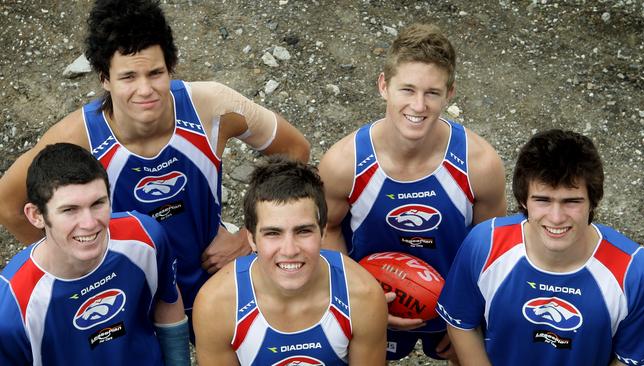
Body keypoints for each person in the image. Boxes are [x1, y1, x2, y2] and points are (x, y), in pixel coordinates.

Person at [0, 0, 309, 322]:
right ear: (105, 78)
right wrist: (79, 260)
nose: (145, 90)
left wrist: (248, 235)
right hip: (131, 294)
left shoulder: (210, 106)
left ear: (171, 66)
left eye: (155, 73)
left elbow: (295, 150)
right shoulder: (79, 136)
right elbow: (9, 205)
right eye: (129, 77)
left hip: (211, 276)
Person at [317, 23, 506, 362]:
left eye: (432, 93)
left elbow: (490, 251)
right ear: (383, 86)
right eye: (407, 89)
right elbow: (327, 229)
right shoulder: (345, 163)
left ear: (450, 93)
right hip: (372, 301)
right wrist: (358, 302)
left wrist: (470, 320)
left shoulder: (479, 164)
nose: (418, 106)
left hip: (452, 306)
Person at [437, 129, 644, 366]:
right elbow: (462, 324)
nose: (556, 217)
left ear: (593, 201)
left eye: (571, 201)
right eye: (543, 200)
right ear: (522, 200)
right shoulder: (485, 244)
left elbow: (628, 358)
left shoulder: (634, 271)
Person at [0, 143, 190, 365]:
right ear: (36, 215)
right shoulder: (13, 305)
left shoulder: (145, 237)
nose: (90, 223)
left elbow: (167, 301)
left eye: (98, 203)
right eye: (70, 210)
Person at [192, 156, 388, 365]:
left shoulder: (361, 295)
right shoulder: (216, 305)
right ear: (251, 238)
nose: (290, 250)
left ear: (322, 233)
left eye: (303, 231)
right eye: (273, 233)